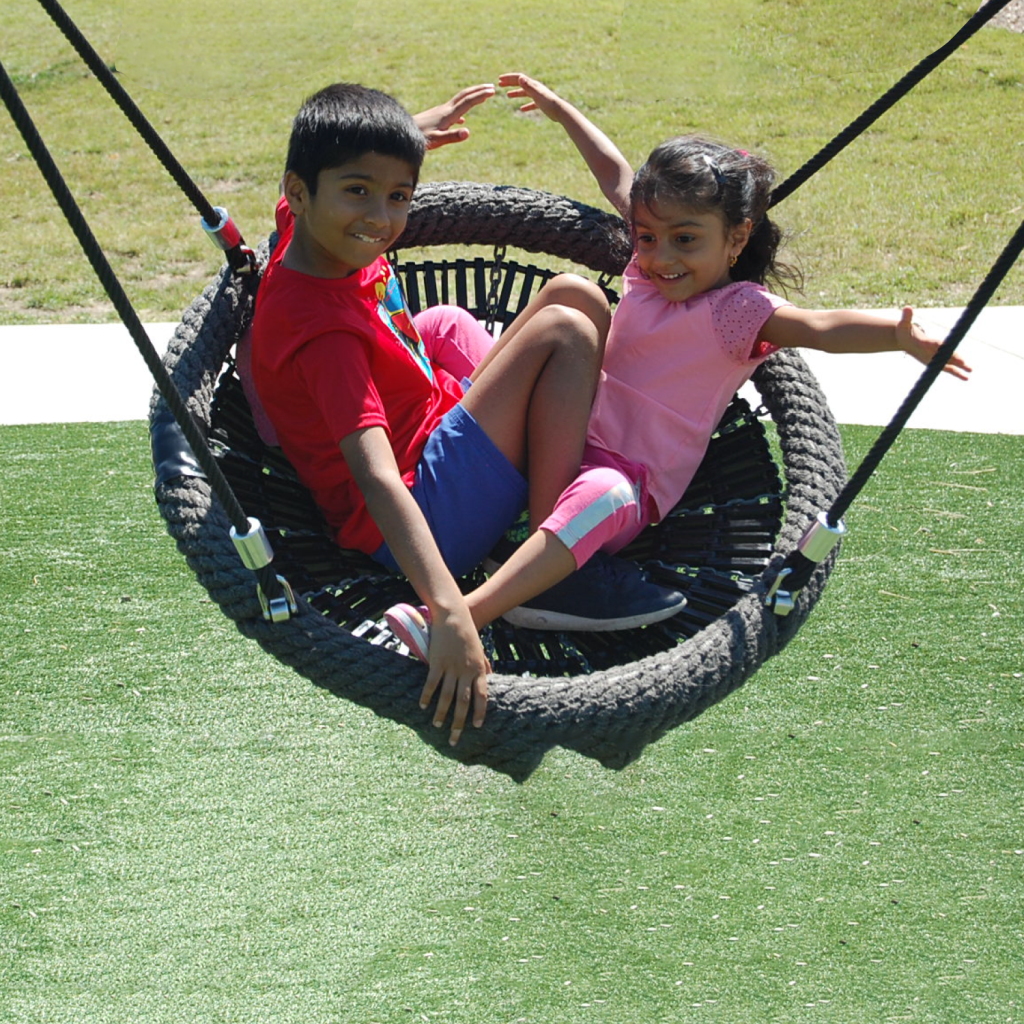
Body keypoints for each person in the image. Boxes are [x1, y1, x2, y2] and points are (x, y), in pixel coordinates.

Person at [385, 73, 972, 668]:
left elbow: (819, 328)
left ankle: (463, 616)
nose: (662, 257)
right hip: (562, 420)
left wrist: (897, 335)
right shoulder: (645, 267)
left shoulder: (738, 312)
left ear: (737, 237)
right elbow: (617, 176)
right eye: (648, 237)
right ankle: (416, 427)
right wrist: (563, 112)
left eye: (685, 240)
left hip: (624, 474)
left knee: (599, 498)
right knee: (450, 322)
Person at [250, 82, 684, 748]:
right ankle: (548, 562)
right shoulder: (325, 335)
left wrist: (409, 132)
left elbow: (348, 171)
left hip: (428, 437)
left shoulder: (302, 226)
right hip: (421, 513)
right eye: (359, 192)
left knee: (568, 294)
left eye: (398, 195)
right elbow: (378, 481)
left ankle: (548, 475)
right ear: (302, 190)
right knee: (566, 330)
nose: (381, 217)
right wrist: (450, 613)